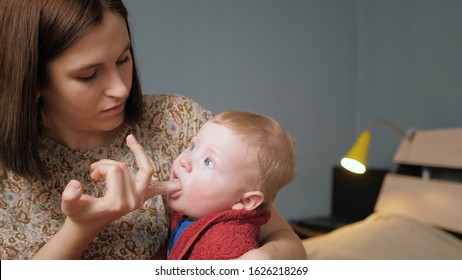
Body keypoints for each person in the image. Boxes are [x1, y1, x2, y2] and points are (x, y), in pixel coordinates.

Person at [0, 0, 306, 260]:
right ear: (34, 81)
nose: (120, 89)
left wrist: (263, 260)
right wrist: (81, 228)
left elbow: (285, 240)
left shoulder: (179, 121)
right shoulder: (7, 171)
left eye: (123, 59)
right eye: (89, 75)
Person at [166, 110, 297, 260]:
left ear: (245, 201)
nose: (185, 160)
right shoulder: (193, 211)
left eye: (208, 162)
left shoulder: (224, 247)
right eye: (193, 147)